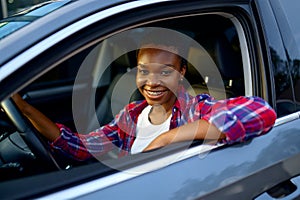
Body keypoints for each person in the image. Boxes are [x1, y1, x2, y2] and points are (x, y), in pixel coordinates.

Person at [12, 37, 277, 161]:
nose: (152, 82)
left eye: (165, 72)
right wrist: (23, 109)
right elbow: (82, 146)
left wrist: (166, 138)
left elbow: (261, 111)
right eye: (143, 72)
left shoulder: (195, 108)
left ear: (181, 72)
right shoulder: (130, 114)